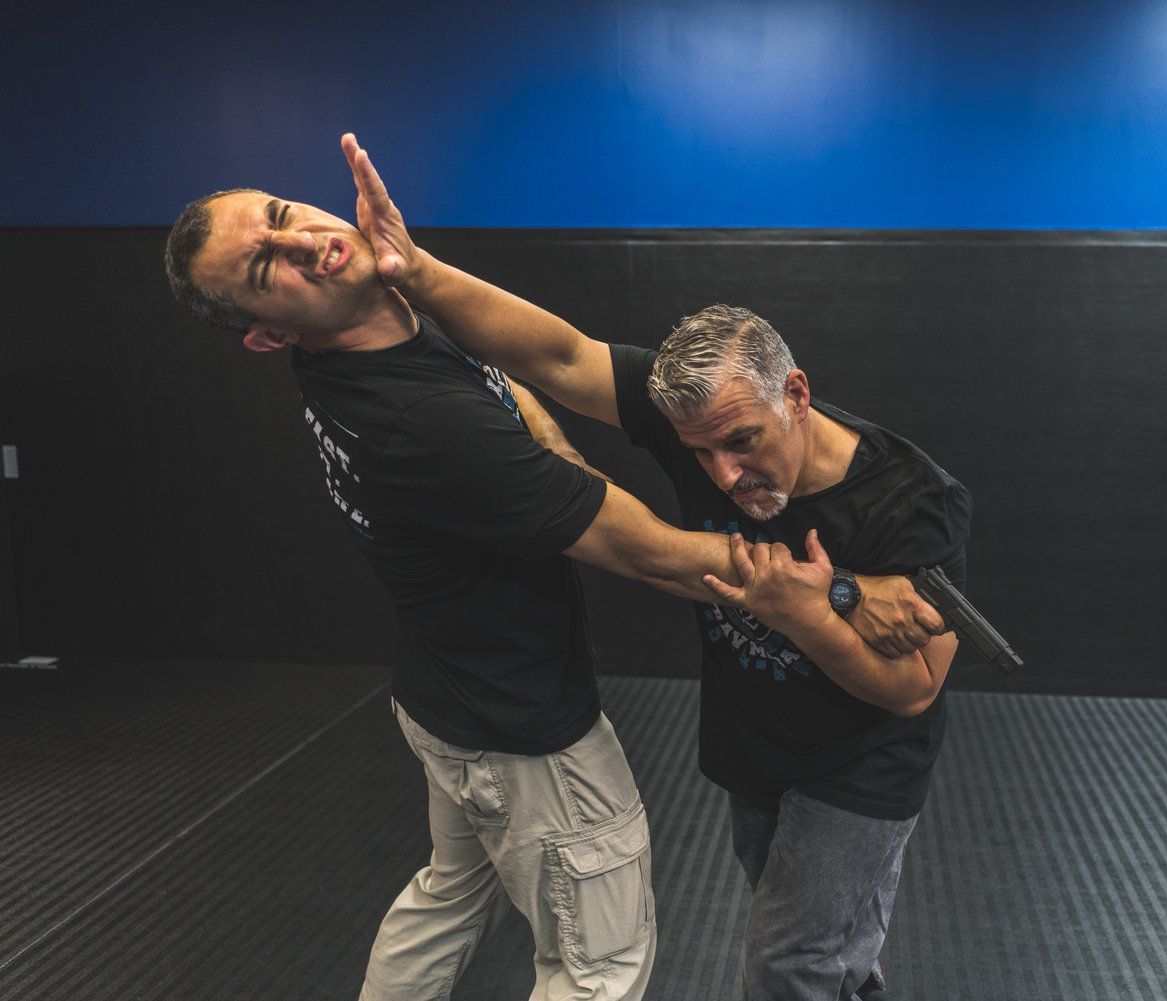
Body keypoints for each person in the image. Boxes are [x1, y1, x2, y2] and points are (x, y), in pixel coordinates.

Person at [163, 163, 925, 1001]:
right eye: (265, 266)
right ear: (267, 333)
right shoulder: (422, 422)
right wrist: (842, 591)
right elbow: (642, 548)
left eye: (280, 214)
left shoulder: (392, 328)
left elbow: (539, 365)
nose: (301, 242)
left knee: (450, 892)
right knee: (600, 966)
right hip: (518, 724)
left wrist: (413, 269)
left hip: (438, 694)